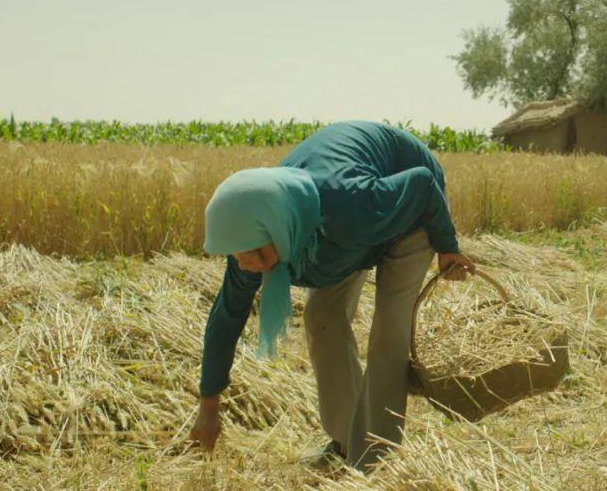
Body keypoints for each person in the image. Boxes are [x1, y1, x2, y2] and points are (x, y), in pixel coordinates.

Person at [188, 120, 476, 472]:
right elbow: (226, 318)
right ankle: (346, 443)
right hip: (341, 236)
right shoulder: (256, 242)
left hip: (411, 209)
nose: (245, 263)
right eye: (234, 254)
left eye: (249, 251)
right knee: (321, 317)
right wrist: (208, 407)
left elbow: (422, 184)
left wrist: (448, 247)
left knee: (388, 331)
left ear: (276, 226)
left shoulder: (349, 204)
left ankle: (376, 460)